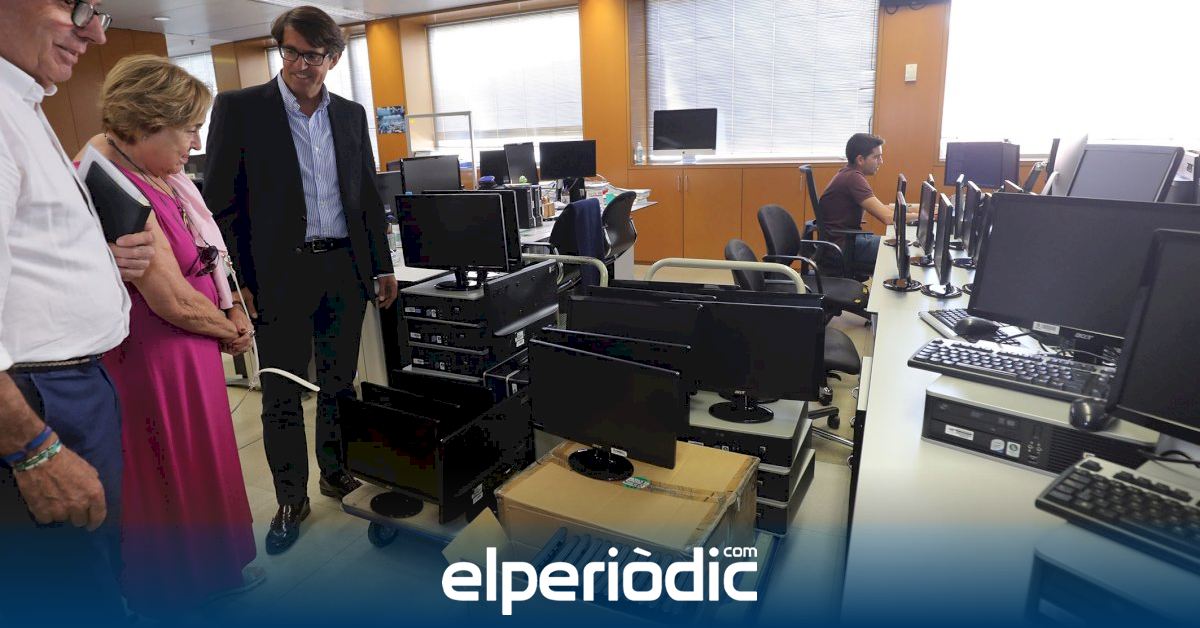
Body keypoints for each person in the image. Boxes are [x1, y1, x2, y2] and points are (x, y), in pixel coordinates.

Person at [204, 6, 398, 555]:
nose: (298, 64)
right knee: (282, 391)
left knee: (339, 384)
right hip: (277, 274)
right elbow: (221, 204)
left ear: (332, 58)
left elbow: (366, 197)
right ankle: (291, 497)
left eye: (311, 55)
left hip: (343, 268)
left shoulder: (351, 115)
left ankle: (335, 473)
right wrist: (236, 282)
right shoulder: (241, 108)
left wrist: (381, 264)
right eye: (289, 51)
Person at [77, 54, 259, 616]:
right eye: (188, 129)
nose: (196, 143)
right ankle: (180, 591)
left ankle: (214, 573)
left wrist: (231, 308)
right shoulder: (112, 178)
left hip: (186, 348)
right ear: (146, 123)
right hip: (156, 357)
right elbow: (170, 298)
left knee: (201, 462)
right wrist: (231, 330)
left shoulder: (148, 169)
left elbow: (201, 259)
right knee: (170, 472)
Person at [0, 0, 155, 622]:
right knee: (70, 585)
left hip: (66, 385)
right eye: (74, 4)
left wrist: (95, 262)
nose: (94, 32)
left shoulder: (23, 101)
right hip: (35, 399)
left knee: (91, 566)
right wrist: (33, 449)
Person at [818, 133, 916, 274]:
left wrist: (922, 211)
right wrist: (923, 217)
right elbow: (887, 218)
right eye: (876, 157)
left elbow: (882, 208)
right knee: (904, 250)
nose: (881, 161)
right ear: (860, 159)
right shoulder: (853, 178)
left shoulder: (849, 173)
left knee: (902, 246)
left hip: (845, 242)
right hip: (843, 248)